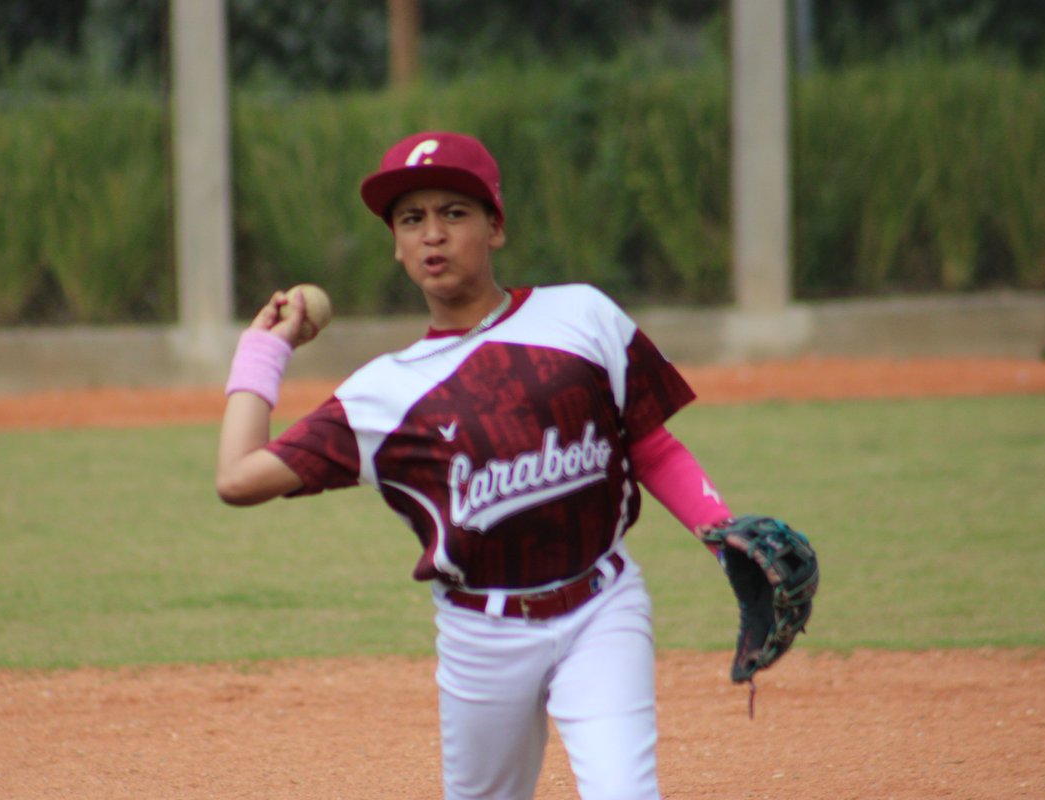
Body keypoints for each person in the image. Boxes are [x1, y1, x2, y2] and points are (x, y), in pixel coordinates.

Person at [216, 131, 734, 800]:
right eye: (412, 219)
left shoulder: (580, 315)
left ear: (496, 227)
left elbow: (651, 446)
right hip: (480, 636)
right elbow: (238, 478)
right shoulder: (384, 394)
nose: (433, 234)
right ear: (397, 246)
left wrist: (722, 534)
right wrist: (262, 352)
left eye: (454, 213)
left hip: (603, 606)